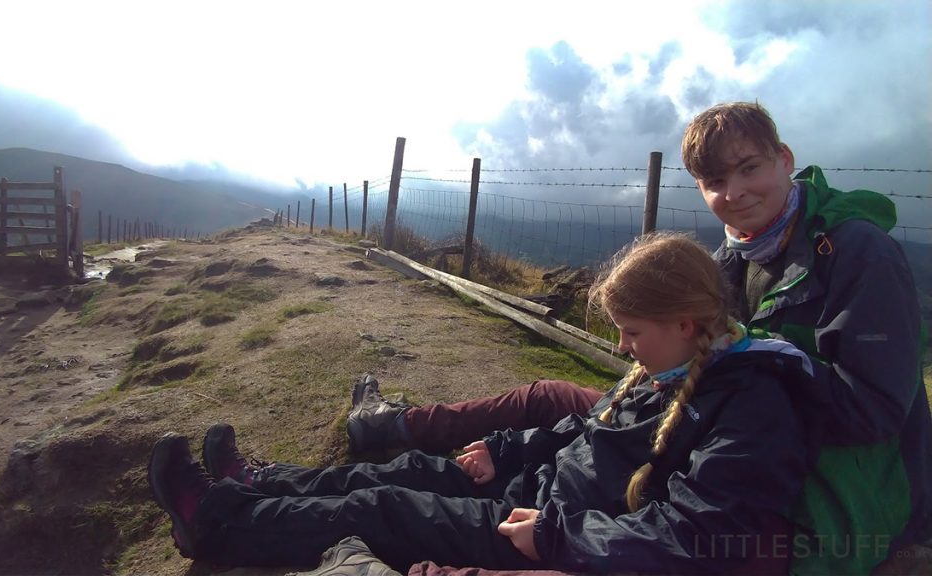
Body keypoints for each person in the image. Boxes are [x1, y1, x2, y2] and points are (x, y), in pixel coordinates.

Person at [347, 101, 932, 574]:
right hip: (721, 416)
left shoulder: (857, 253)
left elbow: (875, 411)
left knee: (685, 534)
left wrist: (771, 363)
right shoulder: (732, 257)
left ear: (784, 159)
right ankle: (393, 426)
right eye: (713, 181)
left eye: (749, 168)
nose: (734, 193)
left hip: (829, 474)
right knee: (551, 397)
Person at [148, 232, 817, 573]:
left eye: (632, 332)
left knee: (380, 508)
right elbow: (586, 428)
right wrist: (505, 449)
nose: (622, 346)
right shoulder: (666, 367)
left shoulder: (752, 409)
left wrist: (553, 534)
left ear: (689, 323)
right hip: (532, 490)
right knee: (396, 472)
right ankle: (256, 484)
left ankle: (211, 520)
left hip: (545, 533)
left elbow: (694, 540)